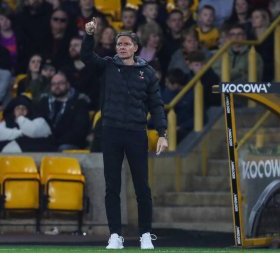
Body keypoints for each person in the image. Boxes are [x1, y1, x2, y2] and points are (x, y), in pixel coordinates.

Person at [81, 18, 168, 250]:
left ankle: (146, 235)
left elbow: (157, 105)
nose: (121, 47)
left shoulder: (147, 73)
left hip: (136, 134)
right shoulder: (108, 65)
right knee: (112, 187)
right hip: (110, 133)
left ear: (135, 48)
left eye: (126, 44)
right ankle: (115, 236)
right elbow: (86, 58)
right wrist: (89, 36)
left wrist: (162, 133)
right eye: (119, 44)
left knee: (142, 187)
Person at [37, 71, 90, 151]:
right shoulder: (44, 101)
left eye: (60, 83)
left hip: (69, 143)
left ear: (68, 85)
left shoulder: (79, 102)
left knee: (61, 148)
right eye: (54, 84)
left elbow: (79, 131)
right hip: (47, 142)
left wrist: (55, 142)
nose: (57, 86)